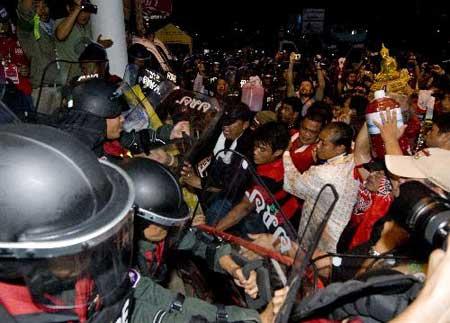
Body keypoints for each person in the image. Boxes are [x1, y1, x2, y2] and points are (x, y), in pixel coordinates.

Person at [0, 123, 289, 322]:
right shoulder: (34, 304)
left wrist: (229, 263)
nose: (94, 253)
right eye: (82, 241)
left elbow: (143, 297)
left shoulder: (87, 266)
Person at [117, 157, 259, 299]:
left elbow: (200, 243)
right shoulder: (119, 266)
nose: (168, 228)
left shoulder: (162, 232)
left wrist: (233, 268)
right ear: (137, 221)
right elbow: (155, 305)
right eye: (163, 222)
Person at [283, 122, 359, 253]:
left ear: (340, 148)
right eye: (319, 140)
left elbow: (292, 183)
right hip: (340, 232)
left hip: (324, 235)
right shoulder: (354, 157)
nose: (317, 146)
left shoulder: (323, 174)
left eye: (323, 143)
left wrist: (285, 153)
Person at [215, 122, 301, 234]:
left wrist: (214, 230)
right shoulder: (271, 159)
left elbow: (245, 207)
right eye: (255, 146)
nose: (255, 152)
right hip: (265, 208)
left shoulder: (271, 177)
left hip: (280, 224)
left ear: (278, 152)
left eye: (262, 149)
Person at [16, 0, 61, 114]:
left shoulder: (57, 26)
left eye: (45, 5)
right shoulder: (28, 27)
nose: (42, 9)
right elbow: (25, 11)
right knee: (41, 129)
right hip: (42, 90)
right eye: (36, 6)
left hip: (62, 88)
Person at [55, 0, 113, 81]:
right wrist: (78, 8)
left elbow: (87, 51)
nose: (85, 15)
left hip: (86, 80)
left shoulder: (89, 26)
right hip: (69, 82)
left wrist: (98, 45)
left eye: (87, 11)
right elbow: (60, 35)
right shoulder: (62, 23)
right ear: (69, 8)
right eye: (81, 11)